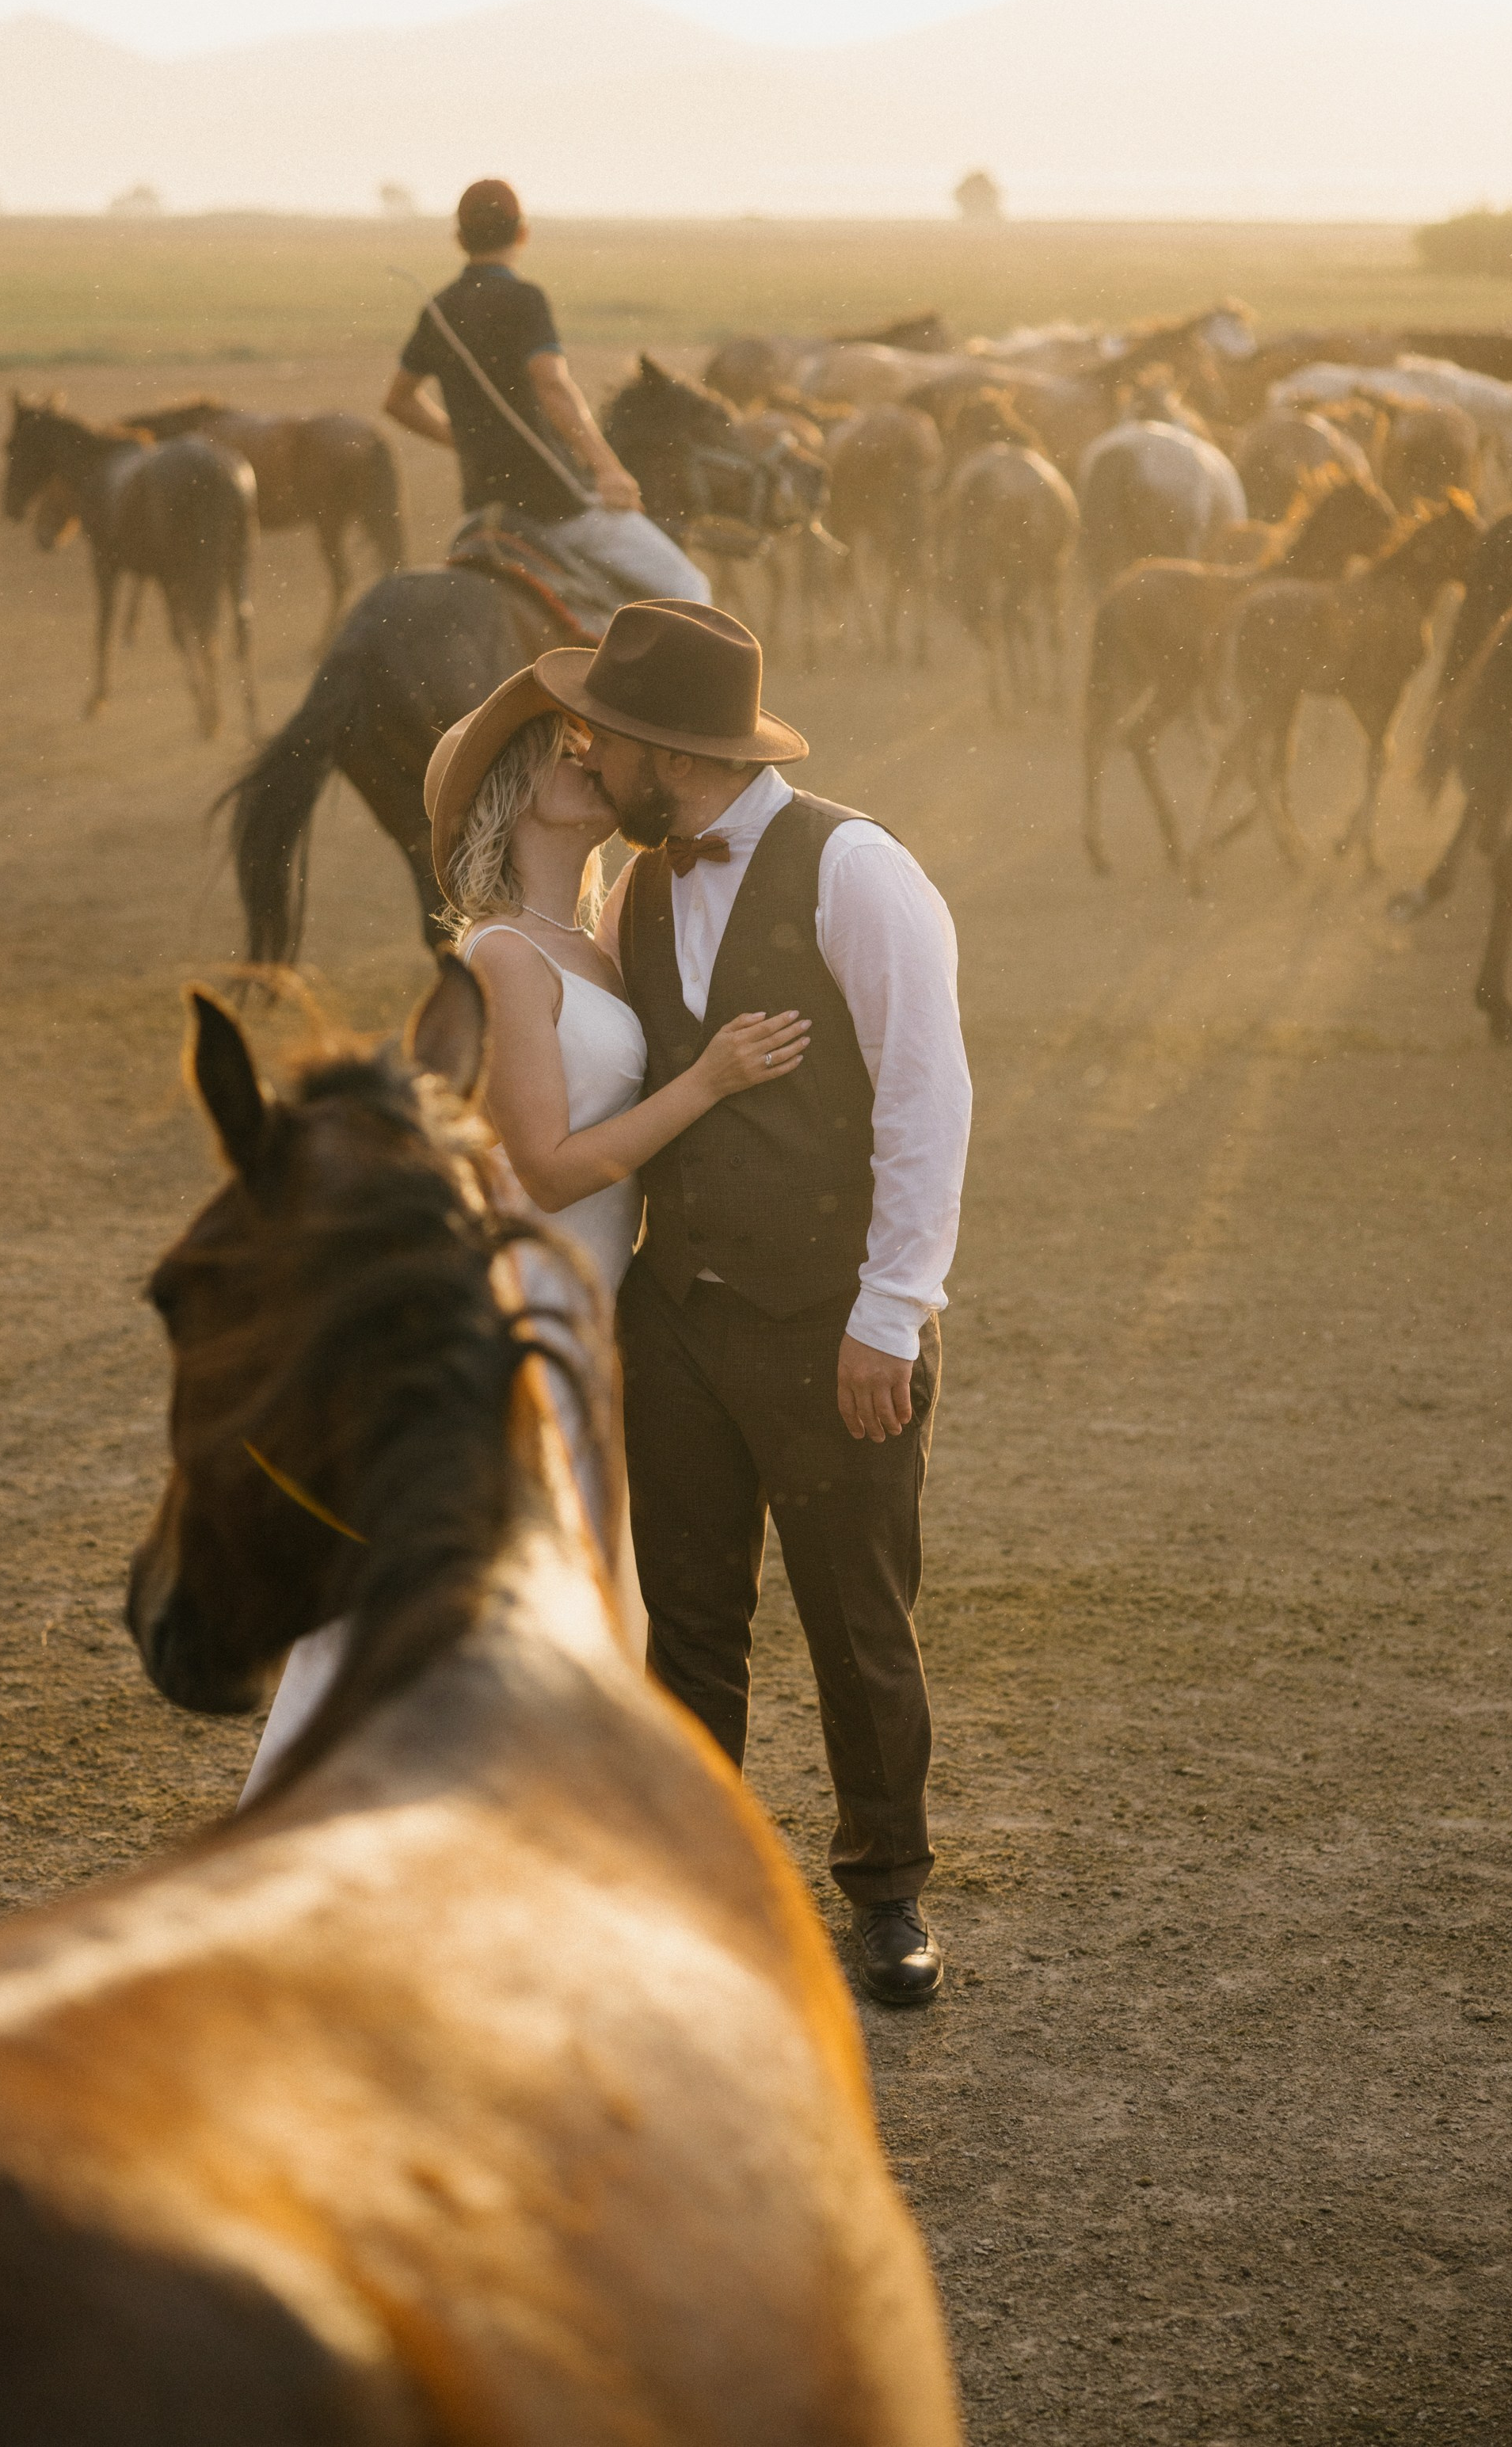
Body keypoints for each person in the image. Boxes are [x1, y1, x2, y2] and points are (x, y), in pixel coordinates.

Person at [238, 665, 806, 1801]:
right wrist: (708, 1081)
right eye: (564, 751)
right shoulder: (502, 956)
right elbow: (544, 1169)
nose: (591, 758)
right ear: (514, 791)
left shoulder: (596, 938)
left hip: (588, 1313)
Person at [535, 600, 972, 2007]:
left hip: (827, 1318)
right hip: (678, 1317)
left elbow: (924, 1101)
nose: (589, 754)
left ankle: (886, 1893)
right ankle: (687, 1884)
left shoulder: (859, 870)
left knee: (854, 1619)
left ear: (673, 748)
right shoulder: (640, 883)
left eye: (607, 735)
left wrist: (886, 1313)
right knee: (690, 1616)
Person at [383, 176, 712, 605]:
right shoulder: (525, 299)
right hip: (553, 504)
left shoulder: (438, 309)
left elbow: (398, 401)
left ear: (459, 238)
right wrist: (608, 469)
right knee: (691, 592)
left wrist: (468, 441)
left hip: (483, 509)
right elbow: (552, 384)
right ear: (523, 233)